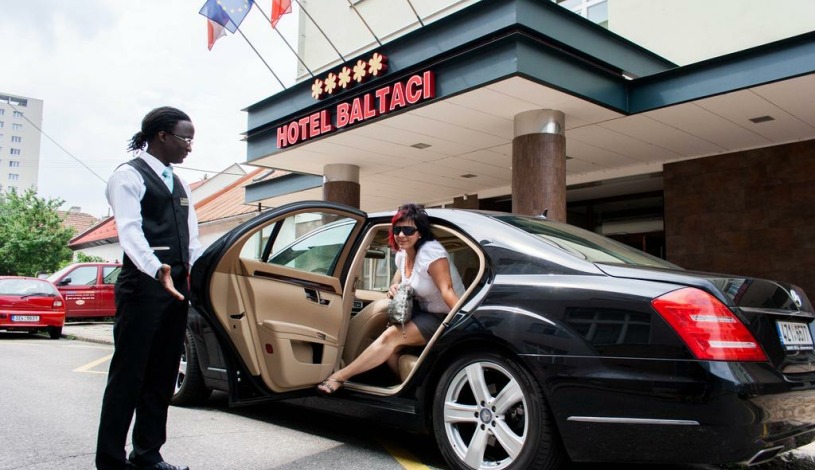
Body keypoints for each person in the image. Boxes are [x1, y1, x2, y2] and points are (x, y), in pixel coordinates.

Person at [96, 106, 203, 470]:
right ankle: (110, 460)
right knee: (128, 375)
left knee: (162, 375)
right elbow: (129, 231)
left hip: (176, 290)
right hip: (142, 287)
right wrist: (158, 269)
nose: (189, 147)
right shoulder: (128, 175)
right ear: (161, 136)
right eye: (185, 138)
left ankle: (147, 455)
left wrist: (197, 274)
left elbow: (192, 240)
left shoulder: (180, 182)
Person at [317, 203, 464, 394]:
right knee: (391, 350)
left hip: (445, 317)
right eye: (397, 229)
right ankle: (411, 391)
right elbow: (399, 281)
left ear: (420, 233)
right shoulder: (402, 255)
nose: (401, 235)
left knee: (389, 337)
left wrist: (463, 325)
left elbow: (448, 291)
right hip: (422, 311)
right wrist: (394, 288)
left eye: (408, 230)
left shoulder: (431, 253)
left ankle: (339, 376)